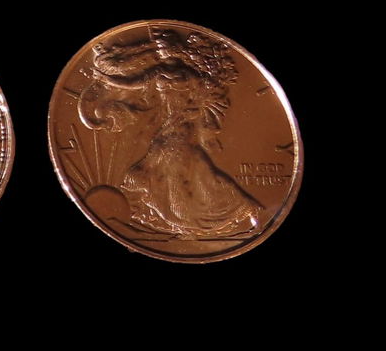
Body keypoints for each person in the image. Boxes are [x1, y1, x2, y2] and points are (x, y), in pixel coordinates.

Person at [78, 29, 260, 237]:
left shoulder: (192, 75)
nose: (163, 51)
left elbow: (202, 100)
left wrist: (197, 122)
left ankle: (231, 210)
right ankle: (201, 214)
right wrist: (105, 77)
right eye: (160, 48)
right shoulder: (158, 71)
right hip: (169, 125)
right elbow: (131, 84)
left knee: (172, 167)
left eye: (166, 47)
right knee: (190, 170)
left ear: (176, 49)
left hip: (184, 125)